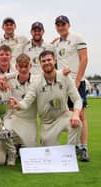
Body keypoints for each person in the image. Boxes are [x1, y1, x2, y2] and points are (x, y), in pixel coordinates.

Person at [10, 50, 82, 147]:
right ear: (40, 64)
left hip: (63, 116)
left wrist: (76, 114)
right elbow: (26, 102)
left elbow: (77, 99)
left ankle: (70, 152)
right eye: (43, 61)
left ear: (55, 61)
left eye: (49, 60)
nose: (47, 62)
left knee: (77, 123)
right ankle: (48, 144)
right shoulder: (36, 82)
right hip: (47, 123)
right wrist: (18, 104)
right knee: (49, 151)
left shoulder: (65, 76)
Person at [52, 15, 90, 161]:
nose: (61, 27)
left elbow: (84, 58)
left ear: (69, 25)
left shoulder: (77, 37)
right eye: (58, 25)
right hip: (63, 84)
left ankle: (84, 147)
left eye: (63, 24)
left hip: (77, 82)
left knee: (80, 115)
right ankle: (73, 147)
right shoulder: (57, 44)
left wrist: (78, 79)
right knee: (69, 116)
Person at [2, 53, 38, 166]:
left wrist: (63, 72)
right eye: (20, 66)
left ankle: (19, 145)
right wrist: (3, 79)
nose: (23, 69)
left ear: (30, 66)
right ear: (16, 67)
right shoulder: (10, 80)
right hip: (15, 117)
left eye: (25, 66)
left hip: (29, 120)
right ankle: (12, 152)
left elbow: (50, 74)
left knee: (30, 153)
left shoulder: (36, 80)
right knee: (4, 131)